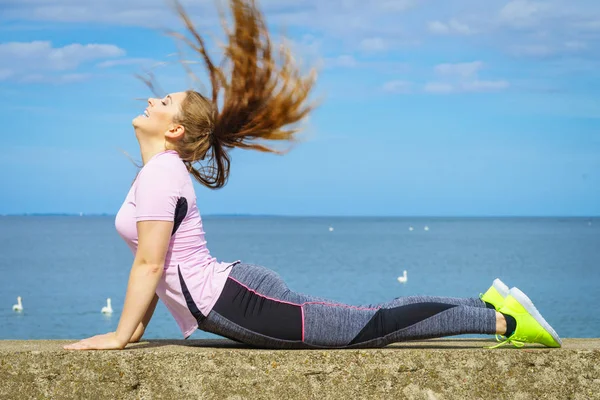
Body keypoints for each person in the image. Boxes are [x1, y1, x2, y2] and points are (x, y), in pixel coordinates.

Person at [63, 0, 561, 351]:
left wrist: (117, 335)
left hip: (239, 301)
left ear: (172, 129)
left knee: (372, 325)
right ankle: (488, 304)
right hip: (234, 296)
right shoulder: (156, 173)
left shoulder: (161, 175)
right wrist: (130, 334)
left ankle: (504, 318)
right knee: (372, 319)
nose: (151, 99)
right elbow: (152, 265)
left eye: (163, 100)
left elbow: (151, 269)